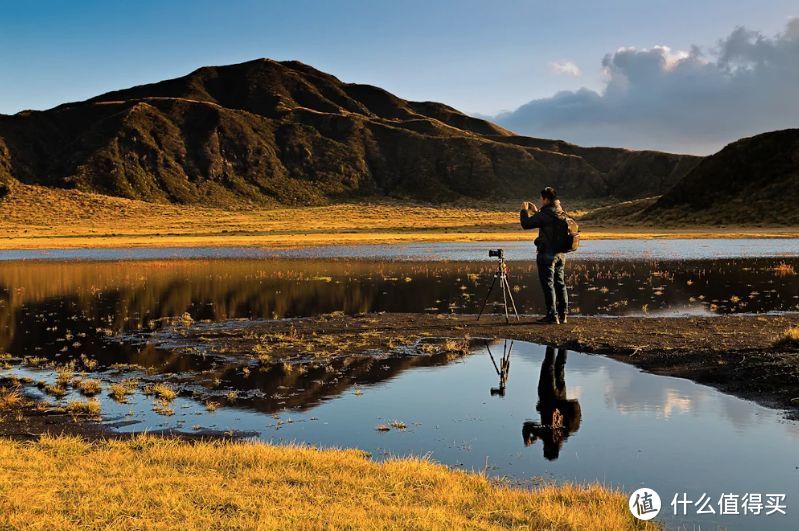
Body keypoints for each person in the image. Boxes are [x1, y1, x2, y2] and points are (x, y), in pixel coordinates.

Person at [522, 346, 581, 460]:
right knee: (548, 366)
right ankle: (552, 343)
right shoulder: (546, 435)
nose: (543, 446)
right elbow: (527, 426)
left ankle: (564, 343)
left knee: (560, 367)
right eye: (544, 448)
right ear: (548, 448)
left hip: (561, 397)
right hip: (548, 395)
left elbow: (575, 410)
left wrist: (535, 437)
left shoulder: (565, 434)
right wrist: (527, 439)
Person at [520, 186, 569, 324]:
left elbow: (526, 224)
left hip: (547, 254)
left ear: (545, 199)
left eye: (542, 199)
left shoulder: (545, 214)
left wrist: (524, 210)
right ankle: (563, 315)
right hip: (561, 254)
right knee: (560, 284)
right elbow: (548, 224)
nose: (541, 201)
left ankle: (551, 316)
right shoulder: (561, 211)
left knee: (548, 285)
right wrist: (537, 212)